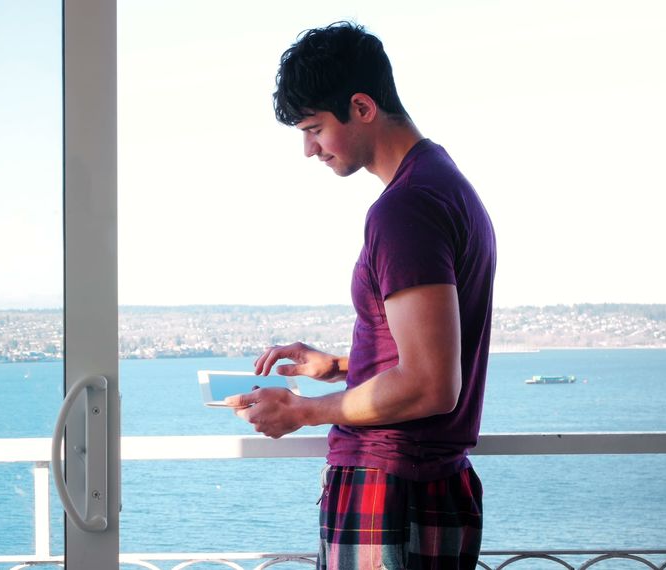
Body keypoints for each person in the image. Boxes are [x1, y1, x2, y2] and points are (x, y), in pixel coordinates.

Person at [225, 21, 496, 570]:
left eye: (315, 128)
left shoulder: (405, 209)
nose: (308, 149)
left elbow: (429, 384)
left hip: (390, 486)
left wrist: (302, 412)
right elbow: (431, 354)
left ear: (363, 107)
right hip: (428, 483)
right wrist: (344, 364)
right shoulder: (446, 185)